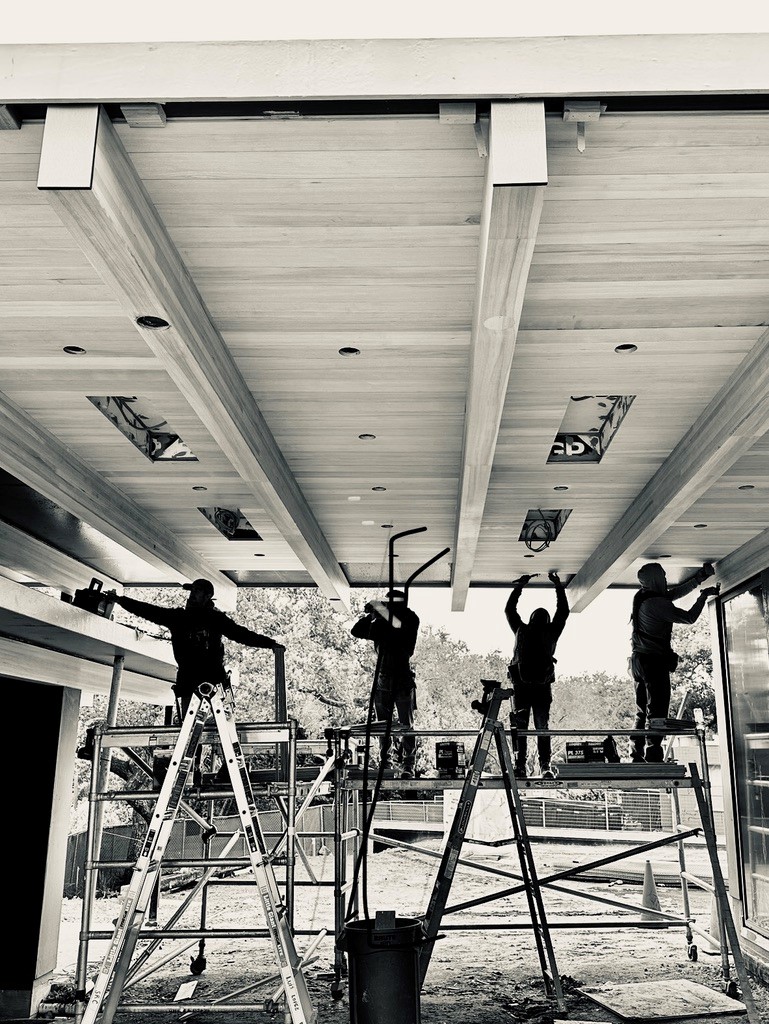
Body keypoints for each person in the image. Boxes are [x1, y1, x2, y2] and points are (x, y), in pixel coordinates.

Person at [110, 578, 284, 716]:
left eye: (197, 592)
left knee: (218, 727)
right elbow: (148, 610)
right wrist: (120, 600)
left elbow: (241, 634)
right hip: (189, 681)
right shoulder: (178, 617)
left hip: (214, 679)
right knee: (190, 728)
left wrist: (269, 644)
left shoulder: (215, 619)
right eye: (192, 591)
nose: (192, 595)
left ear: (208, 596)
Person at [629, 561, 718, 763]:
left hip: (638, 661)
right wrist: (703, 596)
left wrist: (698, 579)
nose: (666, 580)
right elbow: (689, 618)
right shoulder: (656, 604)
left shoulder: (643, 596)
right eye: (663, 576)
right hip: (652, 662)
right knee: (658, 708)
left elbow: (674, 594)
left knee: (642, 710)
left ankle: (636, 753)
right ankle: (653, 754)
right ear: (655, 580)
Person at [505, 571, 569, 779]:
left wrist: (520, 586)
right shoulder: (552, 631)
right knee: (542, 727)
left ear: (531, 619)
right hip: (542, 687)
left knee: (521, 727)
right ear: (547, 620)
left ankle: (520, 766)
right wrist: (558, 586)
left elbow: (509, 610)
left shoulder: (520, 630)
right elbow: (563, 611)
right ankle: (544, 766)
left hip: (521, 686)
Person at [351, 589, 420, 779]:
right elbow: (356, 631)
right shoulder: (383, 622)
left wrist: (377, 612)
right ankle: (386, 762)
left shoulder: (408, 619)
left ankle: (407, 765)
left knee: (406, 725)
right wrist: (372, 615)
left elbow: (397, 626)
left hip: (401, 677)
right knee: (383, 726)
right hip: (385, 678)